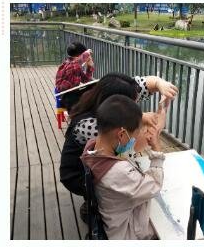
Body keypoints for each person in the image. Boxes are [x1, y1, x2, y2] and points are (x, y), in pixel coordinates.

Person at [59, 72, 178, 200]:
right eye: (132, 103)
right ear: (115, 104)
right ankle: (96, 203)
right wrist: (157, 125)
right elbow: (130, 147)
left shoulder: (111, 92)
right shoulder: (90, 125)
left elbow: (146, 83)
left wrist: (161, 84)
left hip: (94, 163)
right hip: (78, 175)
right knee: (111, 188)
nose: (134, 106)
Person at [81, 95, 166, 241]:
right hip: (126, 232)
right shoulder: (118, 172)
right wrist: (157, 151)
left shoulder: (92, 148)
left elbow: (122, 156)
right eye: (134, 136)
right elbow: (154, 185)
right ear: (121, 134)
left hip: (111, 217)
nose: (134, 140)